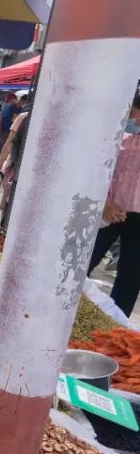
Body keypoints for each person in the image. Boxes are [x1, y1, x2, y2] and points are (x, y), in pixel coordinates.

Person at [87, 94, 140, 316]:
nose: (134, 121)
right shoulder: (122, 143)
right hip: (110, 213)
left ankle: (115, 325)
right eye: (133, 116)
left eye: (136, 116)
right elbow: (101, 174)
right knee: (83, 261)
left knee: (130, 275)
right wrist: (106, 203)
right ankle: (64, 308)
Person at [0, 93, 19, 159]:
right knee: (0, 147)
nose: (8, 102)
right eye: (7, 101)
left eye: (9, 100)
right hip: (2, 130)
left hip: (9, 131)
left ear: (14, 99)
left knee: (6, 147)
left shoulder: (18, 107)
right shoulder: (8, 106)